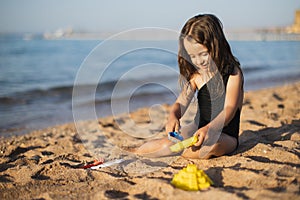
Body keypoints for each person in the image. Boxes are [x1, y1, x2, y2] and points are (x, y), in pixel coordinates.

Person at [132, 14, 244, 159]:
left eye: (203, 54)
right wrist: (173, 115)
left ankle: (177, 151)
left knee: (209, 148)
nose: (198, 61)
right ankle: (135, 151)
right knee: (166, 144)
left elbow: (230, 109)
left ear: (216, 45)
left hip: (225, 135)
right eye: (192, 56)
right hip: (196, 127)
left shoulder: (233, 73)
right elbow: (181, 102)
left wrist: (210, 129)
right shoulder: (196, 76)